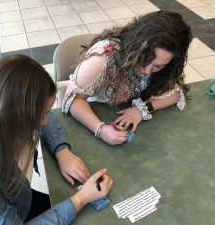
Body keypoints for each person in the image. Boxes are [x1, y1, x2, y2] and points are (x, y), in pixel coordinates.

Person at [0, 55, 113, 225]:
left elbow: (46, 118)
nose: (45, 120)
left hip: (18, 198)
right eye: (41, 114)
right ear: (16, 115)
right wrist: (80, 199)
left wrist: (61, 150)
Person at [62, 11, 193, 145]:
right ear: (135, 46)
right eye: (144, 60)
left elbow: (177, 92)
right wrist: (100, 130)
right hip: (91, 113)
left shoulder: (167, 65)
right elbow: (73, 99)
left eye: (158, 66)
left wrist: (143, 109)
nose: (147, 71)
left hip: (119, 112)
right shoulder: (103, 58)